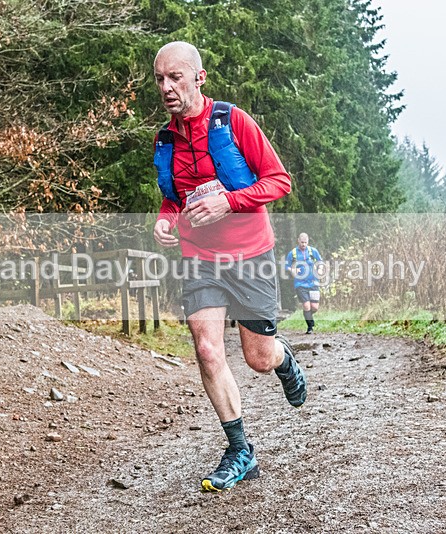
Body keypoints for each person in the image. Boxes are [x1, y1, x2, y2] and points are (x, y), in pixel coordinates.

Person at [151, 41, 307, 492]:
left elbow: (279, 180)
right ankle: (241, 450)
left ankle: (283, 358)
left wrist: (230, 201)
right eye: (160, 78)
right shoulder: (164, 139)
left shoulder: (232, 121)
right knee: (206, 348)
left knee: (258, 358)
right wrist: (164, 222)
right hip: (200, 258)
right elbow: (172, 198)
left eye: (175, 77)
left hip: (251, 255)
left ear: (199, 77)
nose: (166, 87)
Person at [285, 233, 323, 334]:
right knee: (306, 305)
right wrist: (293, 269)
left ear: (308, 242)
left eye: (305, 243)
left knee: (314, 307)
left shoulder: (312, 251)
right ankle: (310, 327)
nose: (304, 245)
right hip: (300, 283)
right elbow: (286, 266)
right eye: (302, 242)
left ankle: (308, 315)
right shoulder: (292, 253)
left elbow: (320, 262)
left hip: (313, 282)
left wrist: (319, 269)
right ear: (298, 241)